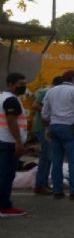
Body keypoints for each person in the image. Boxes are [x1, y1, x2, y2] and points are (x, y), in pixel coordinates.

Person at [41, 70, 74, 200]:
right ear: (72, 79)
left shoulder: (51, 91)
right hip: (70, 129)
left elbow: (44, 114)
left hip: (54, 127)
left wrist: (48, 127)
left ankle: (57, 190)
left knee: (57, 161)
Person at [1, 72, 30, 216]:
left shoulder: (2, 97)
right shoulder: (11, 100)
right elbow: (11, 121)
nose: (23, 87)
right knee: (6, 175)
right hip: (9, 142)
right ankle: (4, 207)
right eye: (20, 85)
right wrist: (18, 142)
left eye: (25, 84)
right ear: (11, 85)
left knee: (3, 174)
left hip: (4, 140)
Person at [31, 75, 62, 195]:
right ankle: (40, 185)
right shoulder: (46, 91)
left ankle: (43, 183)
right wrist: (47, 113)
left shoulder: (53, 92)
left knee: (49, 156)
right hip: (42, 128)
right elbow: (35, 105)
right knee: (46, 156)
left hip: (48, 128)